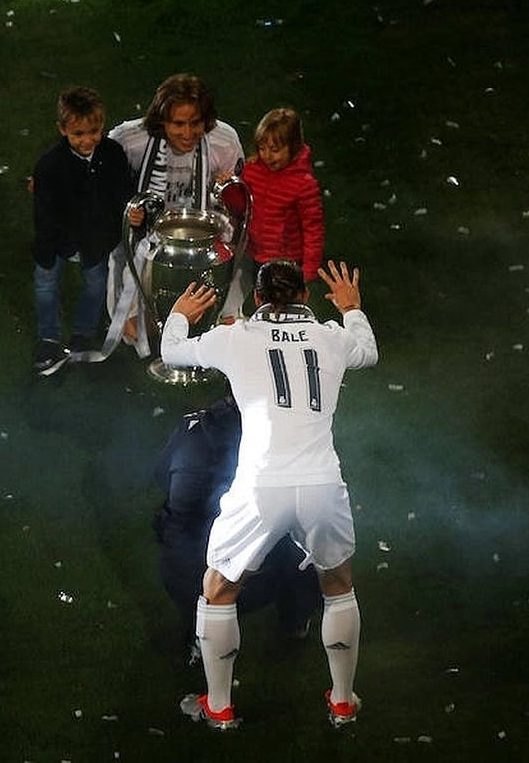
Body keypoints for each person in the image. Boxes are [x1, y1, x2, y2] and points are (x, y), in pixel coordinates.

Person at [160, 258, 378, 730]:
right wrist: (351, 308)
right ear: (304, 296)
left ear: (257, 298)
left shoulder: (235, 337)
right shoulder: (332, 337)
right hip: (321, 483)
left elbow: (172, 351)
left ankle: (219, 708)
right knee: (339, 587)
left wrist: (181, 312)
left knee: (218, 590)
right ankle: (342, 702)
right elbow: (368, 351)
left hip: (260, 487)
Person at [153, 395, 321, 662]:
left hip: (178, 571)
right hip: (235, 580)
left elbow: (161, 475)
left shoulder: (192, 425)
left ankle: (198, 636)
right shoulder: (275, 442)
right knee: (310, 545)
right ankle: (295, 623)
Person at [103, 74, 246, 357]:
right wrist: (129, 207)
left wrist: (226, 187)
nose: (188, 133)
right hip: (148, 232)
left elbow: (237, 197)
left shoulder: (224, 141)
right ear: (161, 121)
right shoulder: (129, 139)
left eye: (195, 123)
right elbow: (102, 172)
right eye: (178, 124)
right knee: (120, 250)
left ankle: (226, 309)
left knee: (236, 241)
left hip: (201, 227)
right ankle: (130, 309)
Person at [30, 86, 134, 375]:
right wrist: (47, 252)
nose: (88, 140)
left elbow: (122, 191)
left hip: (96, 241)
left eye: (94, 131)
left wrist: (130, 210)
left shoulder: (112, 153)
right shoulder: (50, 165)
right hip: (55, 241)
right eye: (79, 134)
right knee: (46, 287)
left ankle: (83, 334)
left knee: (95, 286)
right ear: (62, 130)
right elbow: (43, 213)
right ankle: (48, 338)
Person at [240, 108, 325, 288]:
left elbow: (313, 230)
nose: (267, 156)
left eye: (275, 149)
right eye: (262, 148)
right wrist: (229, 188)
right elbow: (241, 204)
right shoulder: (251, 170)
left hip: (286, 263)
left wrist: (309, 271)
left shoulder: (304, 184)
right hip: (254, 256)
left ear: (293, 147)